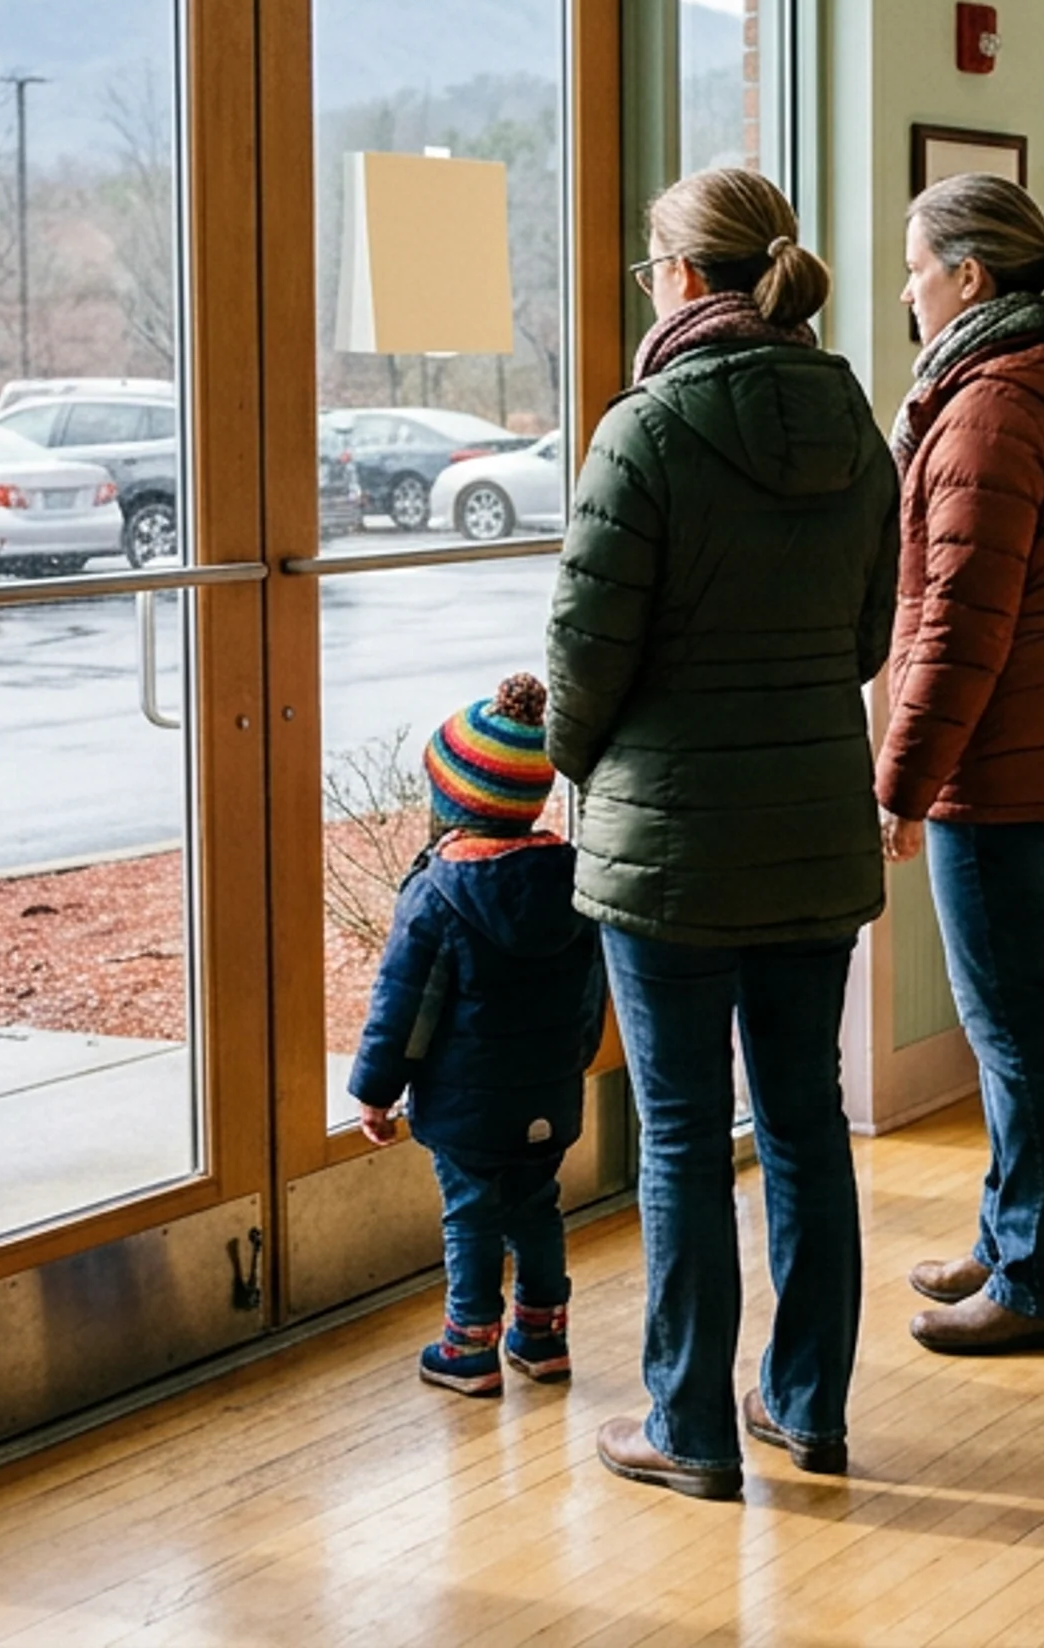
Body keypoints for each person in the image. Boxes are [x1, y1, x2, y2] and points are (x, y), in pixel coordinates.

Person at [547, 166, 898, 1501]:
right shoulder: (852, 420)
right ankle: (808, 1408)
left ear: (686, 277)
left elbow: (585, 653)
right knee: (805, 1120)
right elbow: (866, 636)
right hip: (812, 825)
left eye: (654, 267)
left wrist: (576, 761)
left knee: (685, 1135)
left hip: (674, 843)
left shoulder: (643, 431)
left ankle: (688, 1427)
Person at [878, 172, 1044, 1358]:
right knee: (1014, 1021)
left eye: (916, 269)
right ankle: (1007, 1236)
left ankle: (1040, 1283)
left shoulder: (988, 411)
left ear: (969, 275)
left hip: (1003, 763)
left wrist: (900, 782)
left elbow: (958, 629)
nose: (908, 292)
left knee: (1013, 1030)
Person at [344, 673, 604, 1396]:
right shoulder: (571, 879)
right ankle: (543, 1337)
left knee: (471, 1215)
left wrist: (375, 1091)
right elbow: (592, 992)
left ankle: (469, 1347)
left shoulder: (437, 892)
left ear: (452, 801)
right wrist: (573, 1062)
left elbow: (402, 1005)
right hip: (548, 1090)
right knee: (538, 1205)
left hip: (466, 1104)